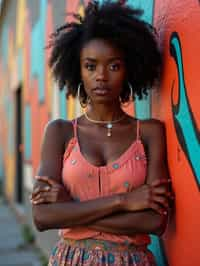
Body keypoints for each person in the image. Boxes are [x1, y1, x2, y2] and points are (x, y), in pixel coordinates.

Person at [31, 1, 173, 265]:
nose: (101, 77)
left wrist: (69, 208)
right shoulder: (60, 132)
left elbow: (154, 221)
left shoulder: (150, 133)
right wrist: (124, 200)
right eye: (90, 65)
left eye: (114, 66)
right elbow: (42, 218)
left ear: (130, 68)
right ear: (78, 69)